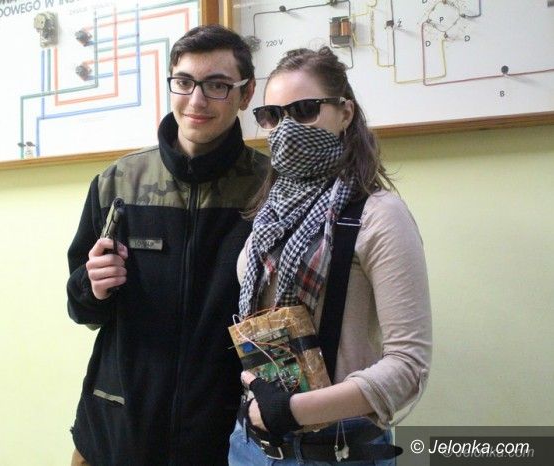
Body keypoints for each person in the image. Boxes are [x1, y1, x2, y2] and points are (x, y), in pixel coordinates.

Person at [66, 25, 269, 466]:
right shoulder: (117, 183)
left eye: (217, 85)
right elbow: (81, 308)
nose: (196, 100)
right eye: (184, 82)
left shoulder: (270, 188)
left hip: (226, 435)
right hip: (117, 430)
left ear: (247, 93)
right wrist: (92, 286)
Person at [228, 46, 432, 465]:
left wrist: (291, 411)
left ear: (345, 113)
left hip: (337, 449)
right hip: (250, 446)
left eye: (304, 110)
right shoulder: (267, 218)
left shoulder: (379, 215)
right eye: (272, 116)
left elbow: (409, 366)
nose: (286, 129)